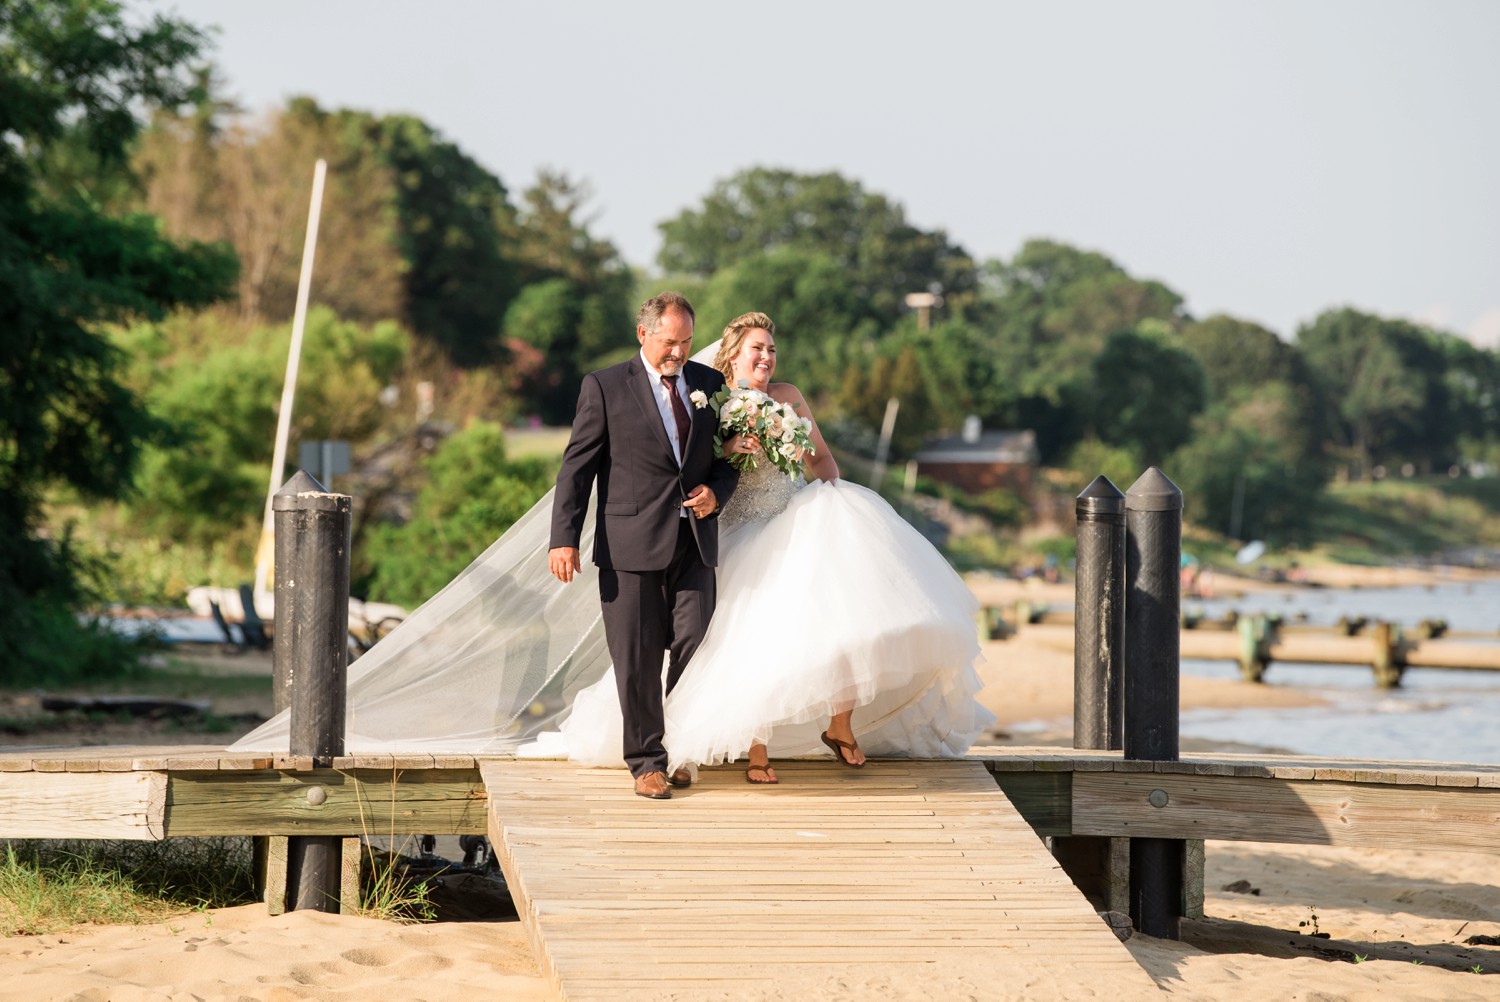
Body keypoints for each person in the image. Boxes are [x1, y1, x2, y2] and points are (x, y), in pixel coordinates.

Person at [548, 312, 994, 784]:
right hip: (713, 529)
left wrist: (811, 478)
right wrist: (566, 537)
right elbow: (618, 464)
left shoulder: (756, 393)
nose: (766, 357)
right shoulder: (702, 393)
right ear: (732, 353)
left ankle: (802, 728)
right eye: (756, 348)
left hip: (768, 521)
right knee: (688, 645)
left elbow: (816, 461)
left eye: (771, 350)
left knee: (778, 627)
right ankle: (676, 757)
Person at [547, 292, 739, 800]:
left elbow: (726, 458)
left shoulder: (710, 386)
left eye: (686, 342)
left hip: (694, 541)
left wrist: (717, 491)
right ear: (643, 334)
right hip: (628, 544)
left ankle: (680, 744)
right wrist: (563, 539)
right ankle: (647, 761)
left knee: (696, 643)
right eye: (669, 342)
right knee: (637, 657)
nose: (678, 352)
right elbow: (576, 469)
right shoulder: (605, 387)